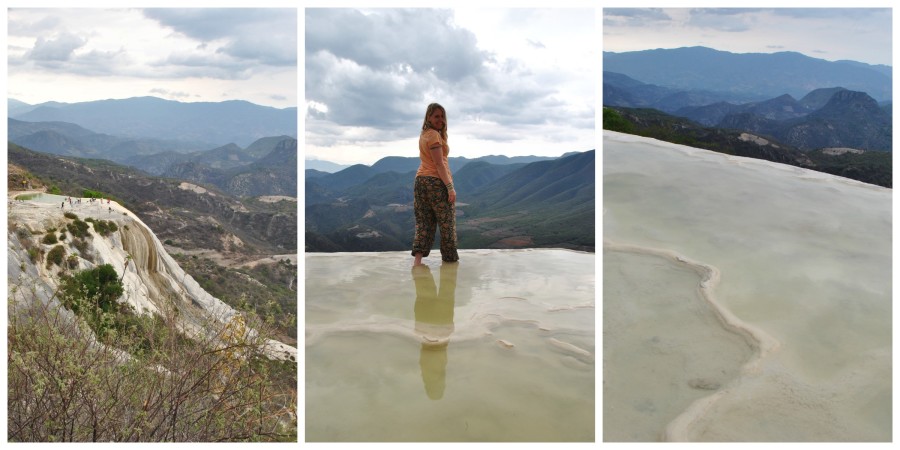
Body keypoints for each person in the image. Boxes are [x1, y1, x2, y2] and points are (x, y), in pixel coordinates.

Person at [412, 103, 458, 265]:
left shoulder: (424, 135)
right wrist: (450, 187)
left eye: (442, 116)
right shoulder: (434, 136)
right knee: (447, 224)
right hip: (435, 183)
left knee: (424, 223)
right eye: (436, 116)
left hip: (420, 181)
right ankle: (450, 262)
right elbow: (439, 164)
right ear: (429, 117)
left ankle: (417, 263)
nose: (441, 120)